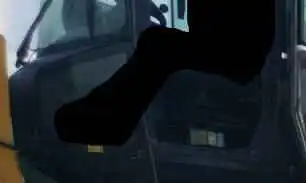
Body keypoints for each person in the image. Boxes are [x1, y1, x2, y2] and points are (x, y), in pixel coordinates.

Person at [54, 0, 277, 146]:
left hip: (236, 54)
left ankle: (110, 124)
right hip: (229, 50)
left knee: (158, 45)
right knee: (158, 44)